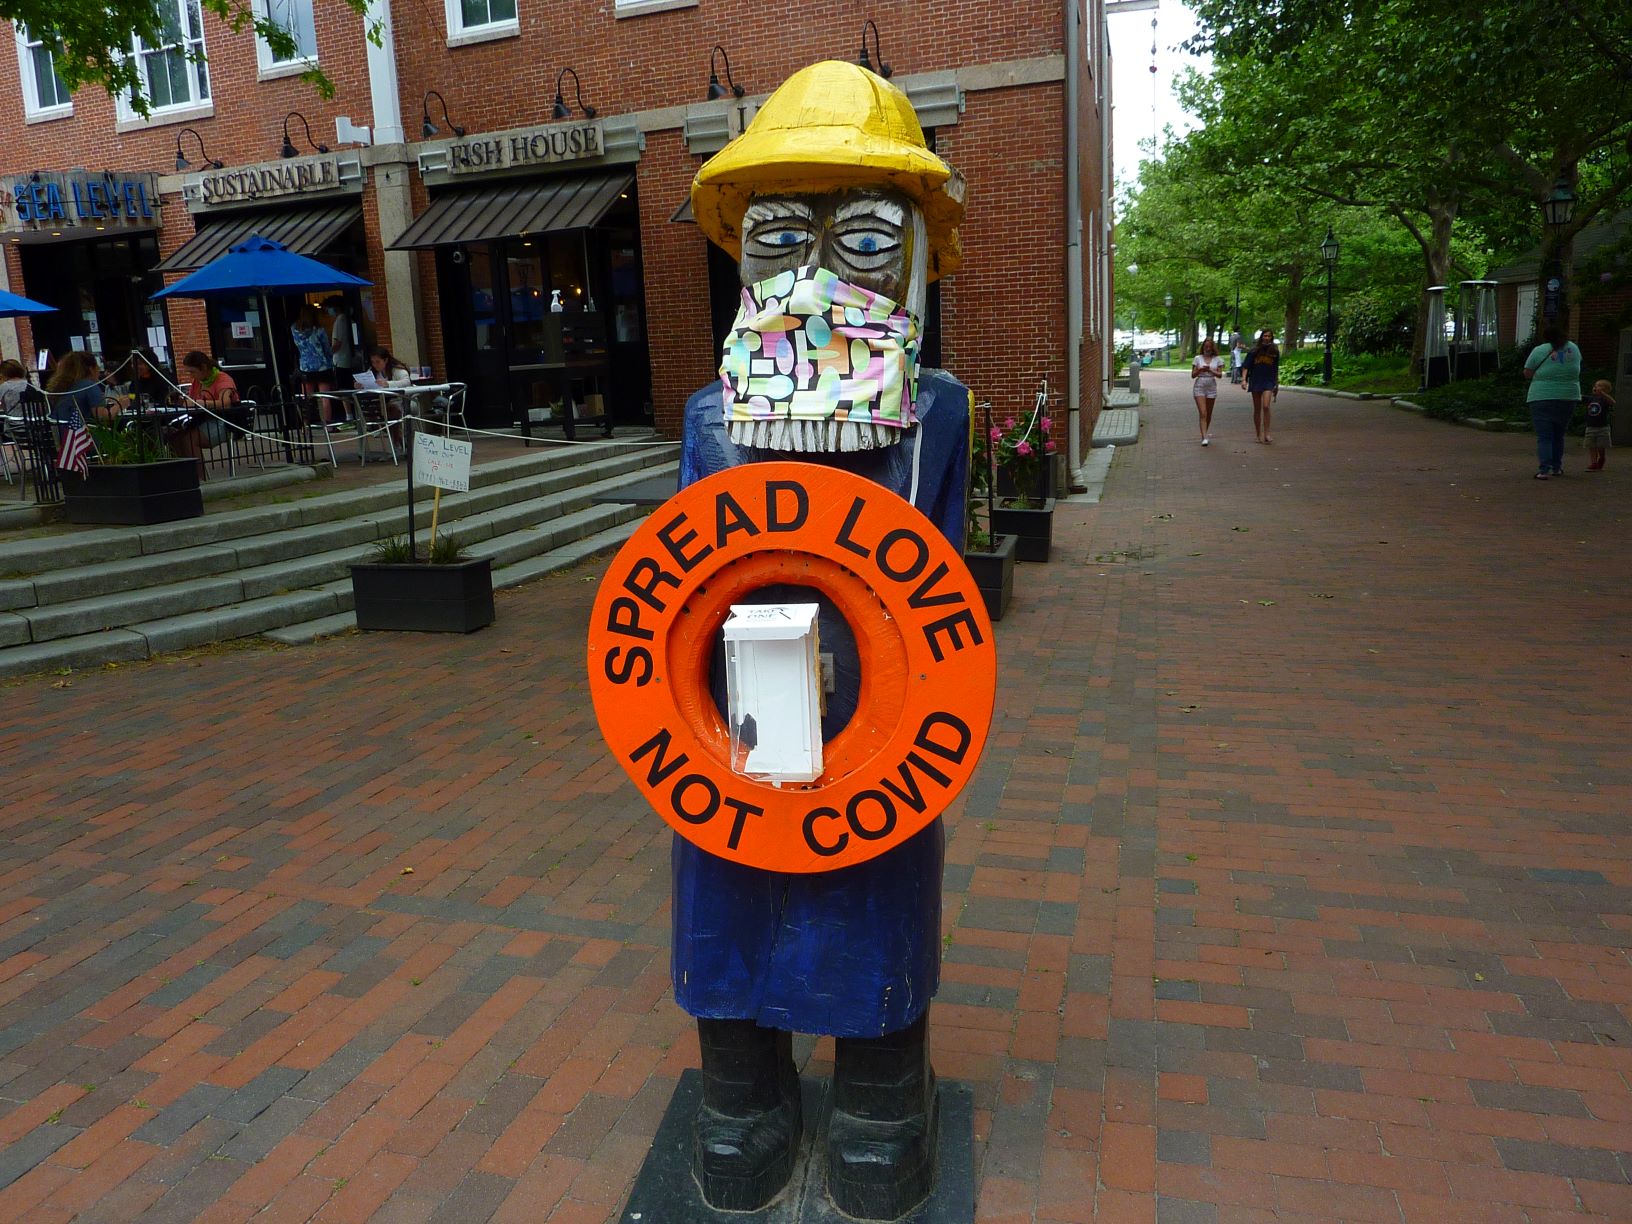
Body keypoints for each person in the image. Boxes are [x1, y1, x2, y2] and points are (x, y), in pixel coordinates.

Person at [679, 60, 970, 1219]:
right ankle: (739, 1092)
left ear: (908, 255)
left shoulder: (933, 412)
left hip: (878, 724)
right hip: (732, 721)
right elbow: (682, 578)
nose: (807, 281)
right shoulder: (711, 416)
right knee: (724, 886)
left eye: (854, 240)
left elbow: (944, 591)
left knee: (873, 886)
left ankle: (879, 1097)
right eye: (778, 240)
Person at [1522, 325, 1581, 479]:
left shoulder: (1540, 350)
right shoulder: (1573, 348)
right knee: (1559, 434)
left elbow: (1527, 373)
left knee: (1544, 436)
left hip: (1541, 396)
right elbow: (1577, 368)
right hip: (1568, 395)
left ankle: (1544, 470)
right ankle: (1557, 467)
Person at [168, 350, 239, 477]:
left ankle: (199, 479)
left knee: (189, 440)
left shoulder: (223, 379)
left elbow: (225, 403)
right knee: (175, 437)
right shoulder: (198, 382)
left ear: (204, 368)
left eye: (192, 372)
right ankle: (184, 475)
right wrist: (180, 401)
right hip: (203, 420)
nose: (191, 376)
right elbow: (191, 400)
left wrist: (201, 403)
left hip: (225, 421)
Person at [45, 350, 113, 427]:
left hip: (61, 433)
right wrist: (121, 404)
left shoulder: (62, 387)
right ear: (91, 369)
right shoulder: (89, 385)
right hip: (81, 434)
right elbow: (101, 416)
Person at [290, 305, 334, 405]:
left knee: (306, 397)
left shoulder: (294, 329)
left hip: (305, 366)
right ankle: (326, 420)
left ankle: (307, 420)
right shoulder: (319, 330)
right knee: (325, 398)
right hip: (322, 366)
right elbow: (326, 348)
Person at [1244, 329, 1280, 443]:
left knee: (1266, 406)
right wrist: (1244, 380)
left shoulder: (1274, 351)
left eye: (1269, 336)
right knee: (1257, 408)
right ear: (1261, 337)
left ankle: (1267, 433)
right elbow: (1246, 366)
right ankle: (1258, 434)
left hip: (1268, 381)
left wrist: (1276, 383)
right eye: (1265, 336)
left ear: (1271, 338)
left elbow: (1276, 368)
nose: (1267, 338)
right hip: (1256, 380)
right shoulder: (1254, 351)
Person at [1191, 336, 1224, 445]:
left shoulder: (1218, 359)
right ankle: (1204, 437)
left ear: (1212, 347)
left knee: (1208, 413)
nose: (1208, 349)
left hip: (1211, 386)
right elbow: (1193, 375)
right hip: (1200, 385)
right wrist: (1200, 369)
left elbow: (1220, 375)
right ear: (1203, 347)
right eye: (1206, 346)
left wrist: (1210, 370)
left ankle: (1205, 432)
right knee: (1203, 412)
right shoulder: (1197, 359)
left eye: (1210, 347)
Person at [1583, 378, 1615, 472]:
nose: (1596, 387)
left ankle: (1602, 458)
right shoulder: (1590, 398)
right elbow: (1578, 397)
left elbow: (1613, 402)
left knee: (1601, 446)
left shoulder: (1604, 399)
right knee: (1591, 446)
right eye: (1595, 385)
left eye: (1599, 385)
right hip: (1590, 427)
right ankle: (1594, 463)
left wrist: (1603, 394)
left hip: (1602, 427)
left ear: (1605, 389)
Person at [325, 296, 356, 386]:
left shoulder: (339, 320)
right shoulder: (346, 318)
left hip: (340, 361)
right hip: (347, 359)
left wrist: (328, 354)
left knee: (342, 386)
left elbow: (337, 343)